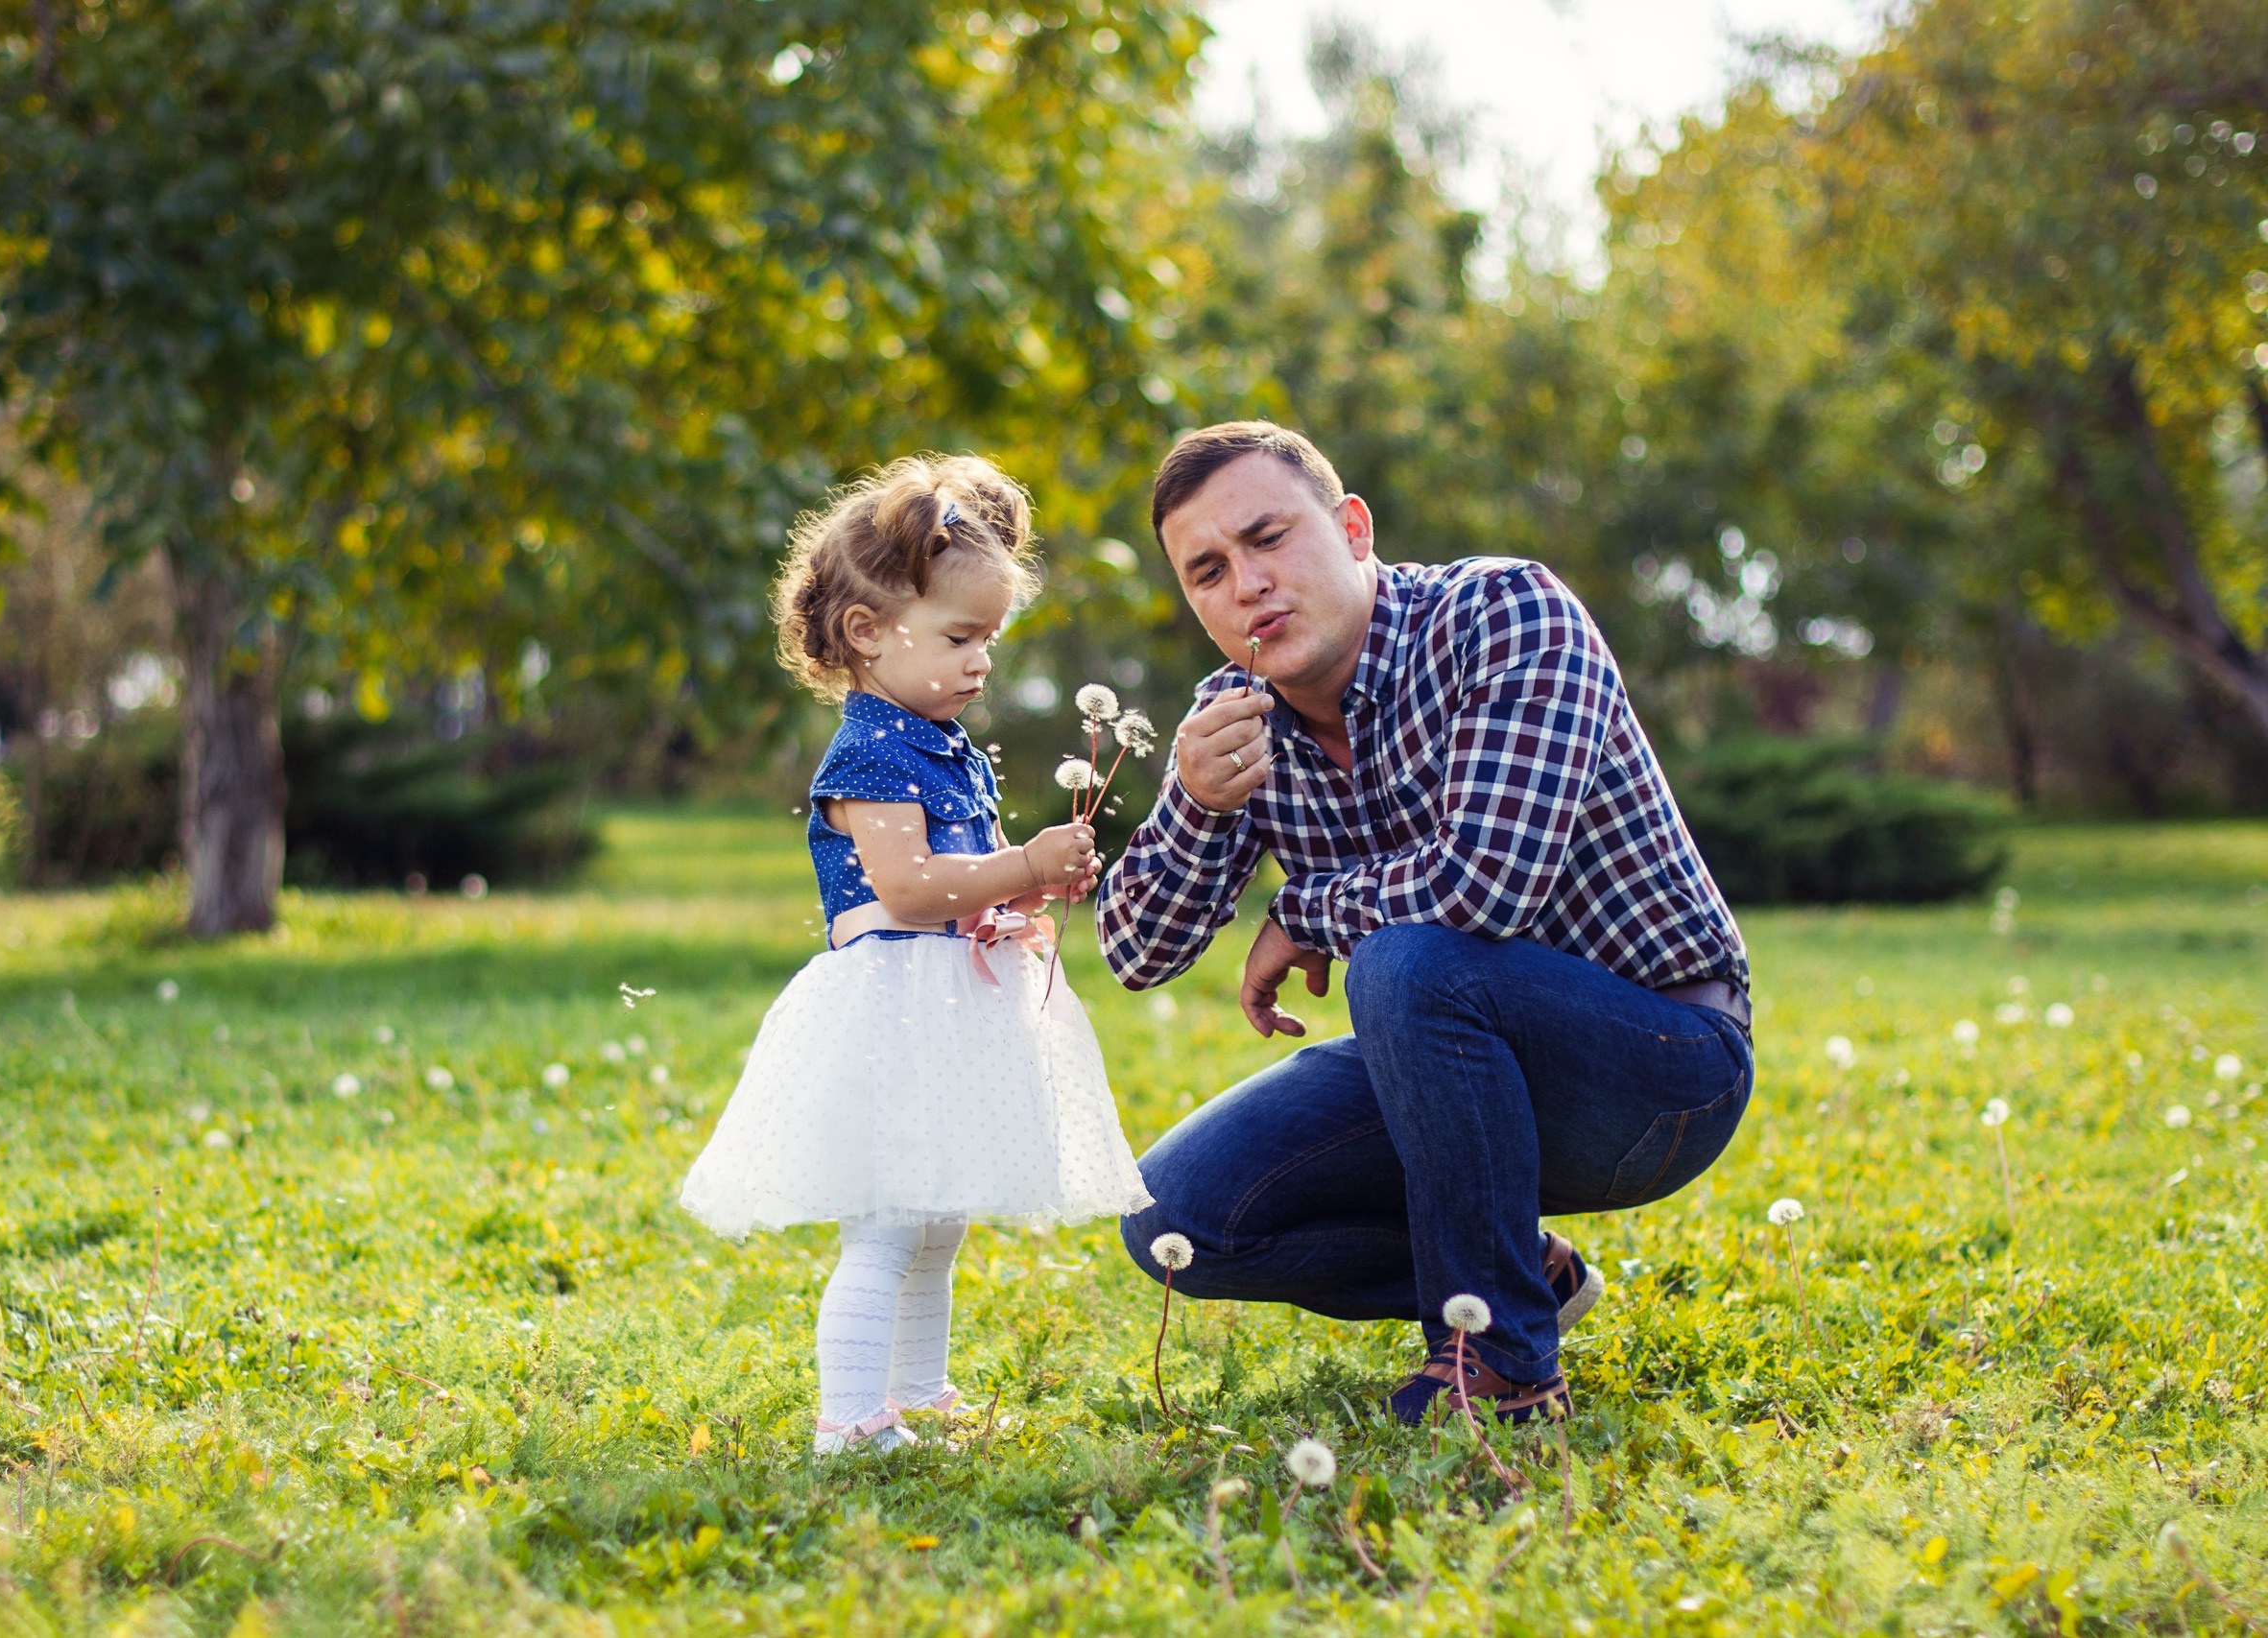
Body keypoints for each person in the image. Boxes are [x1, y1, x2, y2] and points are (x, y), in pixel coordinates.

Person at [1099, 422, 1754, 1427]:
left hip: (1656, 1074)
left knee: (1405, 962)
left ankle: (1504, 1366)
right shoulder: (1236, 719)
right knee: (1174, 1218)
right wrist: (1197, 802)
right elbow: (1134, 952)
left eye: (1269, 538)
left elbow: (1482, 889)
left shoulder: (1504, 614)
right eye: (1209, 571)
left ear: (1351, 528)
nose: (1247, 584)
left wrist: (1302, 910)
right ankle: (1519, 1269)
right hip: (1444, 1079)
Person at [680, 454, 1153, 1454]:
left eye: (989, 638)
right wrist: (1016, 860)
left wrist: (1028, 886)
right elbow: (906, 888)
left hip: (948, 1001)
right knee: (891, 1220)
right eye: (959, 636)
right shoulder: (871, 752)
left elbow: (964, 880)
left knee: (938, 1221)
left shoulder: (945, 743)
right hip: (893, 1011)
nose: (983, 661)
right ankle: (849, 1419)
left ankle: (920, 1392)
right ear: (867, 632)